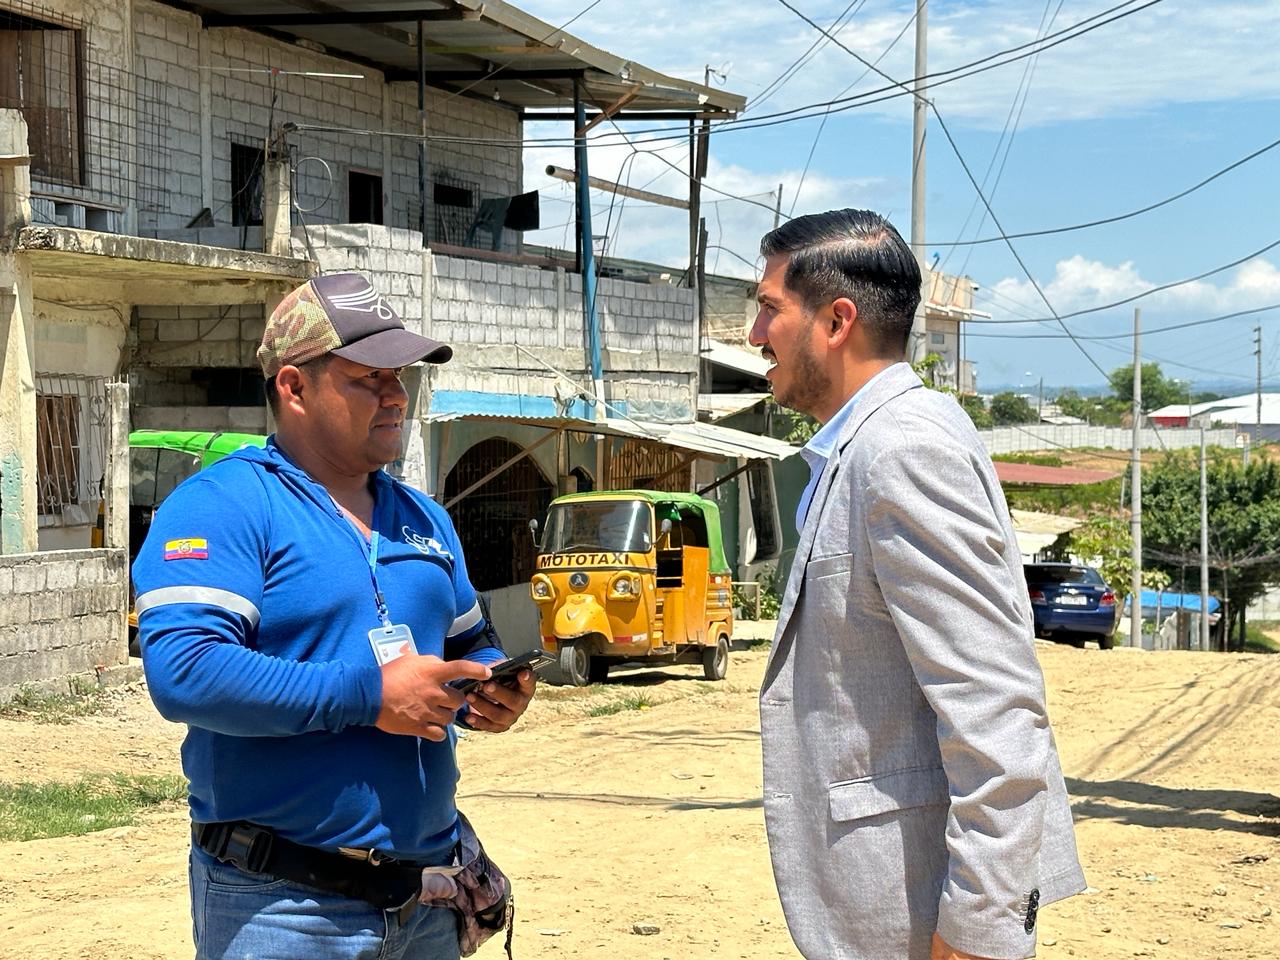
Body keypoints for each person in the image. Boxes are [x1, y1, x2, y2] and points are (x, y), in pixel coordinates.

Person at [132, 273, 536, 960]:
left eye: (399, 376)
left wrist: (490, 688)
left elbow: (471, 643)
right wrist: (370, 696)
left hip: (426, 901)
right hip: (281, 907)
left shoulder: (424, 518)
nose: (396, 394)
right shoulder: (224, 505)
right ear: (294, 387)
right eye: (369, 378)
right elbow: (187, 674)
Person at [750, 210, 1085, 960]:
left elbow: (993, 705)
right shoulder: (866, 444)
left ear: (836, 321)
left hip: (921, 910)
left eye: (770, 308)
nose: (755, 334)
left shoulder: (902, 448)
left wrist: (978, 930)